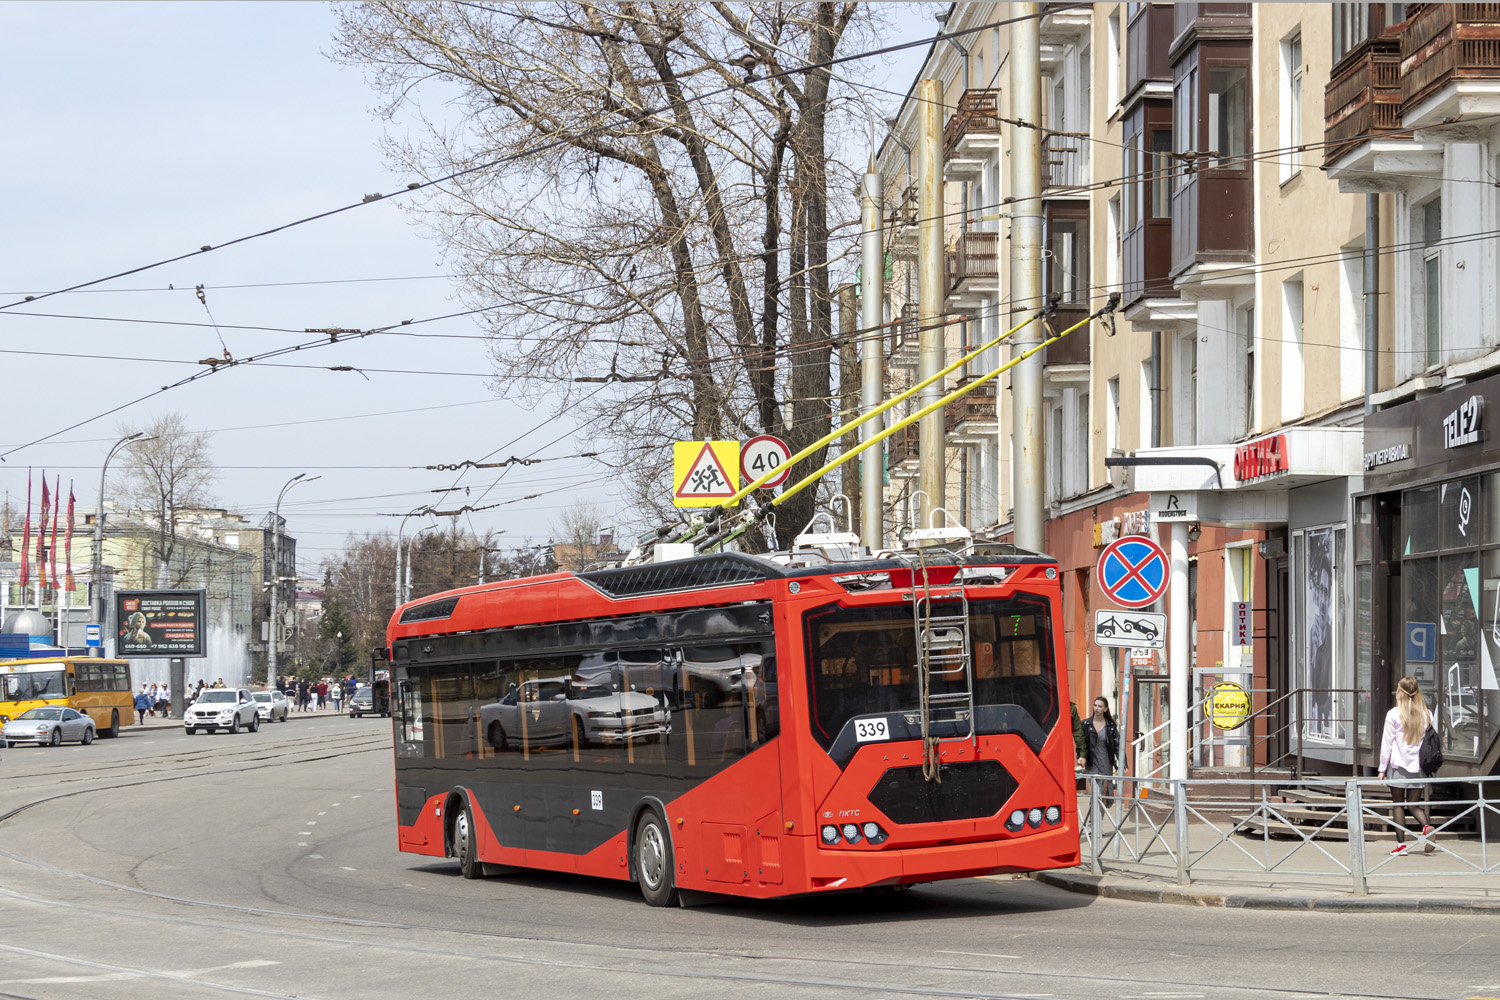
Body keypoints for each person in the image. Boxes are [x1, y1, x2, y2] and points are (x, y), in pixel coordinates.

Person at [1378, 676, 1438, 857]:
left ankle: (1401, 846)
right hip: (1418, 766)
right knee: (1414, 805)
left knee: (1398, 805)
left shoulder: (1393, 714)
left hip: (1398, 766)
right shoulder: (1427, 714)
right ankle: (1427, 828)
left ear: (1400, 692)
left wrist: (1382, 768)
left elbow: (1386, 743)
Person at [1081, 695, 1120, 777]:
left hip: (1106, 763)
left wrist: (1123, 763)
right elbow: (1081, 743)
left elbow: (1118, 745)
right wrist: (1081, 756)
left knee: (1105, 789)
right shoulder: (1086, 724)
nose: (1096, 708)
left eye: (1099, 706)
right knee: (1095, 788)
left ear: (1105, 709)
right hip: (1092, 763)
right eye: (1095, 705)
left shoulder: (1111, 726)